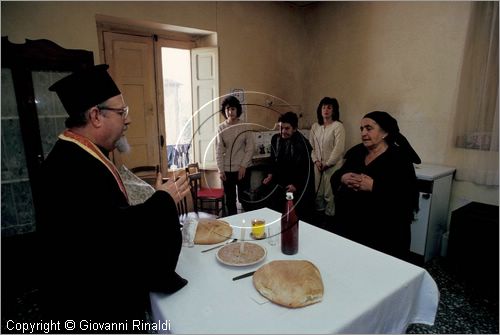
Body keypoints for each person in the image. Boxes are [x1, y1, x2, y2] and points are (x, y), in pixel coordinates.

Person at [38, 64, 191, 329]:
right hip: (90, 308)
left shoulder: (82, 153)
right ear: (96, 115)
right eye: (122, 112)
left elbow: (106, 219)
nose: (128, 119)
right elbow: (112, 239)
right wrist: (163, 201)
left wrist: (153, 198)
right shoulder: (72, 167)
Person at [331, 111, 421, 261]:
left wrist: (375, 186)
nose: (363, 133)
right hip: (351, 229)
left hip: (383, 235)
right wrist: (342, 177)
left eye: (369, 128)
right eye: (361, 129)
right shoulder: (356, 153)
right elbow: (336, 176)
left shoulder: (399, 159)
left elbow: (407, 197)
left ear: (385, 132)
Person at [262, 112, 315, 222]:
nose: (283, 132)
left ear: (294, 128)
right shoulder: (275, 139)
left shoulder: (303, 144)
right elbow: (273, 160)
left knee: (293, 217)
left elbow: (306, 170)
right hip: (280, 182)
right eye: (281, 128)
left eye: (287, 128)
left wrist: (297, 185)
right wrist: (270, 174)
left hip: (296, 185)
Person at [216, 95, 254, 215]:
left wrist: (243, 165)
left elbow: (250, 147)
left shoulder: (245, 125)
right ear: (224, 111)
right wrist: (221, 170)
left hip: (243, 169)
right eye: (227, 109)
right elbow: (218, 150)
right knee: (230, 201)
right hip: (227, 170)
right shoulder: (220, 128)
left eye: (232, 109)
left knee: (245, 199)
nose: (230, 112)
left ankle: (247, 224)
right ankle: (233, 227)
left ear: (237, 110)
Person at [310, 97, 345, 218]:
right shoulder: (315, 126)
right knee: (318, 193)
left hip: (333, 166)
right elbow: (312, 147)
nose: (326, 110)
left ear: (334, 110)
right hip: (318, 165)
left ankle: (330, 219)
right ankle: (320, 218)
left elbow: (339, 148)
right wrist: (316, 161)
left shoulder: (338, 126)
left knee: (329, 195)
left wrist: (328, 163)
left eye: (329, 107)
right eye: (323, 107)